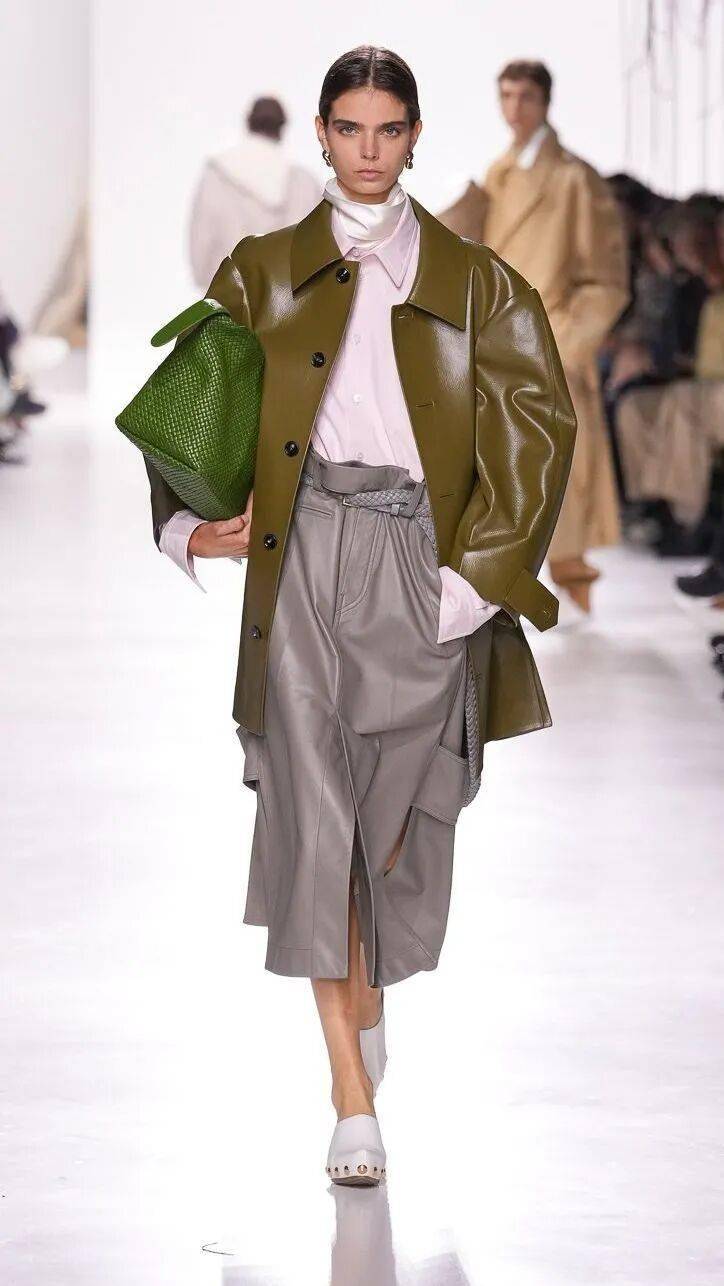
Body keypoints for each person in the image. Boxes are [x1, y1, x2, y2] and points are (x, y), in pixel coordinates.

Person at [143, 45, 576, 1185]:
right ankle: (350, 1096)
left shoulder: (477, 282)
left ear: (415, 135)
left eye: (389, 129)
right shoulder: (263, 269)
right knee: (312, 813)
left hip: (421, 564)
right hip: (301, 555)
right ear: (324, 136)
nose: (369, 149)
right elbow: (187, 403)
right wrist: (188, 524)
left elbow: (540, 427)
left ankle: (367, 999)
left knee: (390, 827)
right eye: (350, 128)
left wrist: (470, 583)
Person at [439, 60, 628, 616]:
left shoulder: (574, 180)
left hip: (553, 342)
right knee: (502, 472)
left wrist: (566, 343)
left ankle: (570, 582)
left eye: (524, 96)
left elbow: (606, 279)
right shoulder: (499, 174)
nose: (514, 108)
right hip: (499, 341)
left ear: (545, 102)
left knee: (560, 475)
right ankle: (502, 586)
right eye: (506, 96)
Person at [188, 95, 321, 291]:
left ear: (248, 122)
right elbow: (320, 248)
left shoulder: (217, 175)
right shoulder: (304, 183)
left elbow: (201, 243)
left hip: (228, 294)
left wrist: (204, 281)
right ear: (282, 128)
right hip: (286, 299)